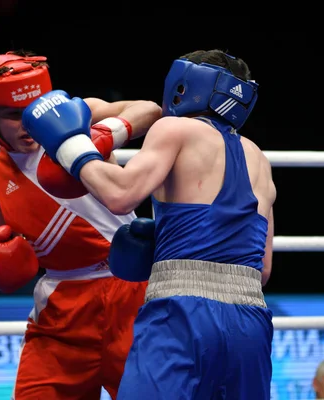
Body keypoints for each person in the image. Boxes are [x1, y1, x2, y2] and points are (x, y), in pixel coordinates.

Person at [22, 49, 276, 399]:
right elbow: (262, 269)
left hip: (183, 313)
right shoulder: (259, 158)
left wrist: (69, 146)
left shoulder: (174, 128)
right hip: (251, 320)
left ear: (184, 85)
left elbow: (121, 193)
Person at [0, 50, 162, 399]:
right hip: (63, 309)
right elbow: (9, 242)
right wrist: (6, 260)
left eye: (31, 110)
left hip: (131, 290)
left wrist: (102, 136)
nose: (26, 124)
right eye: (13, 115)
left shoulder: (77, 116)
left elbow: (150, 110)